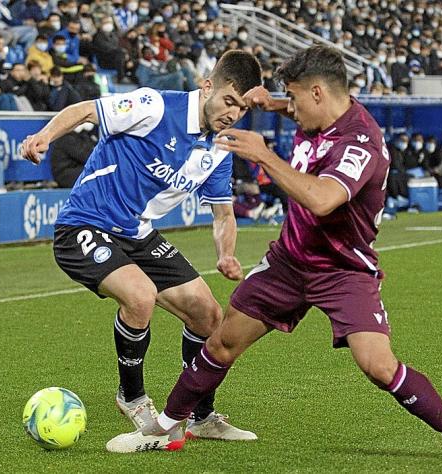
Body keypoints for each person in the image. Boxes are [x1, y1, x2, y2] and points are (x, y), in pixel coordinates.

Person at [111, 45, 442, 468]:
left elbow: (323, 199)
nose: (289, 110)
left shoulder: (359, 143)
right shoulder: (319, 110)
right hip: (289, 262)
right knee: (221, 343)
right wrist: (270, 101)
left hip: (343, 270)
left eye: (293, 99)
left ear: (317, 93)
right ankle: (166, 429)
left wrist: (263, 154)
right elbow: (291, 111)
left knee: (378, 365)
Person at [21, 50, 263, 450]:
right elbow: (85, 110)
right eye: (228, 101)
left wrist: (226, 254)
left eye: (242, 108)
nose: (233, 114)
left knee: (209, 314)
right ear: (207, 86)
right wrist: (45, 135)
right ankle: (131, 397)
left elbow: (223, 216)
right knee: (140, 296)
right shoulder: (154, 105)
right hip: (85, 223)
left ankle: (201, 416)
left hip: (138, 234)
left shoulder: (221, 148)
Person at [49, 122, 97, 188]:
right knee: (94, 172)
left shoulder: (78, 136)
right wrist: (84, 133)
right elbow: (87, 156)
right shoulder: (67, 138)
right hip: (64, 174)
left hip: (75, 170)